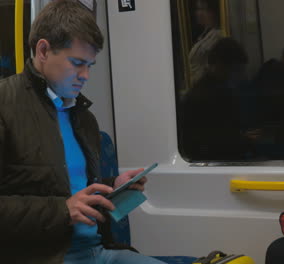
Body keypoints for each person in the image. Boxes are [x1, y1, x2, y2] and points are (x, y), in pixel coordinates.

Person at [0, 1, 166, 263]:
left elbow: (74, 188)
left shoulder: (83, 117)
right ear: (43, 50)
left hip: (97, 251)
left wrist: (113, 187)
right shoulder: (5, 104)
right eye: (77, 63)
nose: (85, 75)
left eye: (90, 65)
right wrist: (62, 210)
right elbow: (65, 203)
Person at [188, 0, 223, 86]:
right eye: (198, 9)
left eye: (203, 9)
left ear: (213, 11)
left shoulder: (218, 34)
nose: (199, 13)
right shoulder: (205, 33)